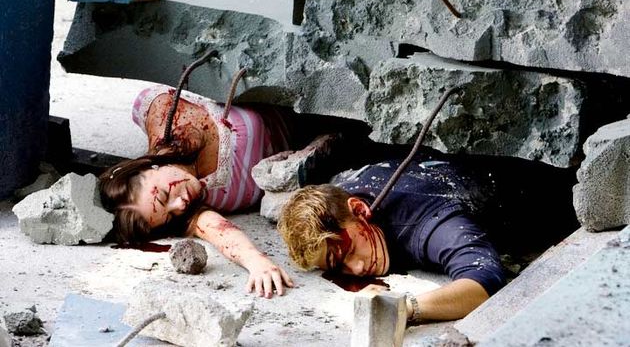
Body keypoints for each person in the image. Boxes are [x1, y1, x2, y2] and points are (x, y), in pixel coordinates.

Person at [100, 84, 303, 299]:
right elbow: (221, 232)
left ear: (147, 167)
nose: (180, 205)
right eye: (170, 215)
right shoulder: (192, 212)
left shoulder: (167, 116)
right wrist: (256, 262)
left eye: (164, 196)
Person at [277, 153, 507, 323]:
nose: (357, 268)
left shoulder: (430, 224)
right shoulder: (339, 198)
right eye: (338, 266)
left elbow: (484, 282)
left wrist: (403, 308)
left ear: (359, 209)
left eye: (349, 251)